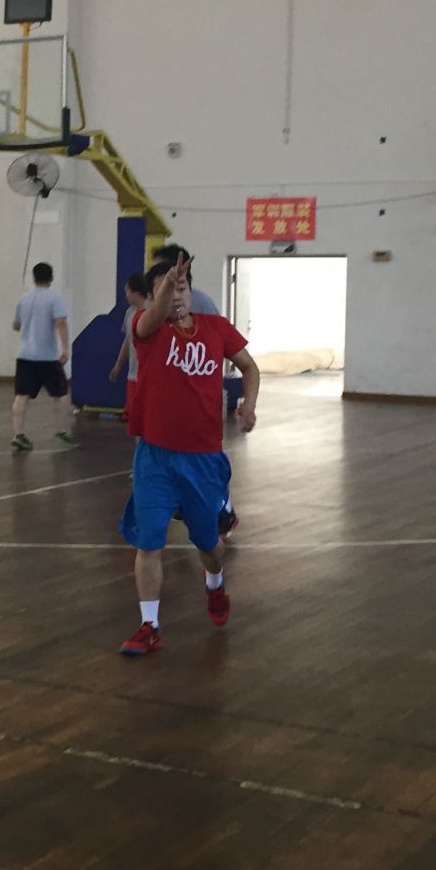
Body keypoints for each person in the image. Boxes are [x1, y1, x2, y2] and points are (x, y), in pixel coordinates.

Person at [116, 257, 259, 656]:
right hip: (155, 458)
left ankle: (215, 583)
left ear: (192, 291)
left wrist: (248, 405)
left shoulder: (216, 328)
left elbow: (249, 367)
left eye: (182, 287)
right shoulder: (146, 328)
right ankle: (149, 625)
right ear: (153, 297)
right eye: (166, 289)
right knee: (149, 542)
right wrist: (166, 285)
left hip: (202, 460)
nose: (176, 296)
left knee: (209, 544)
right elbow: (154, 313)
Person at [149, 243, 239, 539]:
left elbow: (219, 346)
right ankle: (179, 500)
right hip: (170, 399)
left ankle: (222, 509)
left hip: (203, 399)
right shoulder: (153, 313)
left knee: (207, 463)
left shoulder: (202, 305)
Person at [10, 262, 76, 450]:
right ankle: (61, 431)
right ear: (51, 277)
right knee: (61, 393)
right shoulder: (54, 298)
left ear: (34, 277)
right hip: (47, 356)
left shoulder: (24, 299)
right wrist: (65, 348)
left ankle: (19, 434)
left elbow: (16, 325)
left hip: (25, 355)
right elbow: (61, 322)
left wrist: (28, 326)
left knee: (21, 395)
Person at [109, 272, 150, 435]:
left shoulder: (152, 313)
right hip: (133, 375)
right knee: (135, 420)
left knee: (149, 417)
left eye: (127, 291)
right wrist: (117, 366)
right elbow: (127, 341)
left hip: (148, 375)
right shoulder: (130, 313)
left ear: (136, 292)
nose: (126, 295)